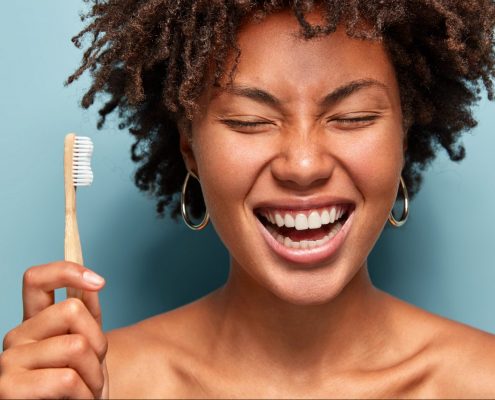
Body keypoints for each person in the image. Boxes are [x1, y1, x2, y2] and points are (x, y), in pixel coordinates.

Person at [1, 1, 495, 398]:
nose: (303, 166)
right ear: (190, 148)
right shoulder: (96, 386)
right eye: (248, 121)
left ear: (402, 138)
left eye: (353, 117)